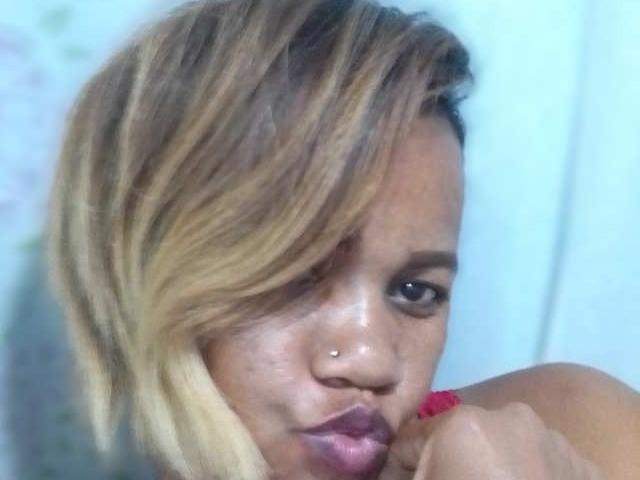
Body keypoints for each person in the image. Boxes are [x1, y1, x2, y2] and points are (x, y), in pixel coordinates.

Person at [46, 0, 640, 479]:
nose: (372, 361)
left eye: (415, 291)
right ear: (136, 266)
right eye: (296, 275)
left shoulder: (578, 429)